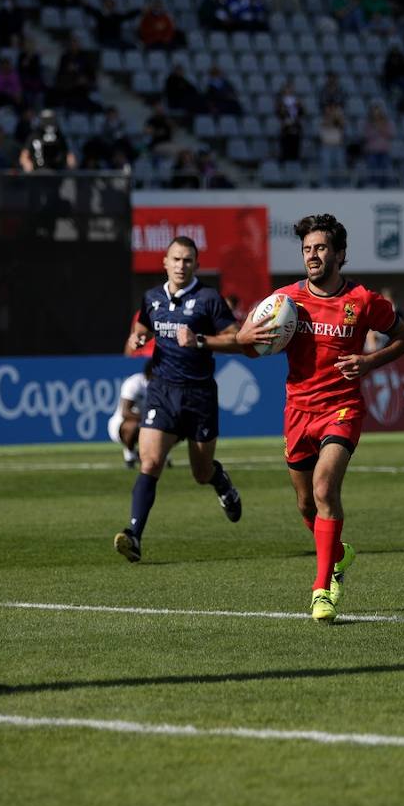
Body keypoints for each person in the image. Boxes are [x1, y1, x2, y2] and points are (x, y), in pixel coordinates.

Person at [233, 214, 404, 623]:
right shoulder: (285, 301)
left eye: (320, 248)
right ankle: (338, 552)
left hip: (342, 408)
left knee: (323, 486)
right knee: (304, 503)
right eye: (307, 249)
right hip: (297, 410)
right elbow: (248, 344)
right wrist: (245, 339)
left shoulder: (364, 300)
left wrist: (369, 362)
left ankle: (322, 589)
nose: (312, 256)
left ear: (340, 254)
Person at [113, 237, 253, 563]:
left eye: (187, 260)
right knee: (150, 462)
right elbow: (143, 324)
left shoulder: (208, 299)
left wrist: (199, 340)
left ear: (196, 265)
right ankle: (133, 535)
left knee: (201, 473)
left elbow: (238, 340)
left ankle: (223, 484)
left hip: (200, 394)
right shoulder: (152, 298)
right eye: (175, 259)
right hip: (162, 390)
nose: (180, 265)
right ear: (165, 262)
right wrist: (139, 335)